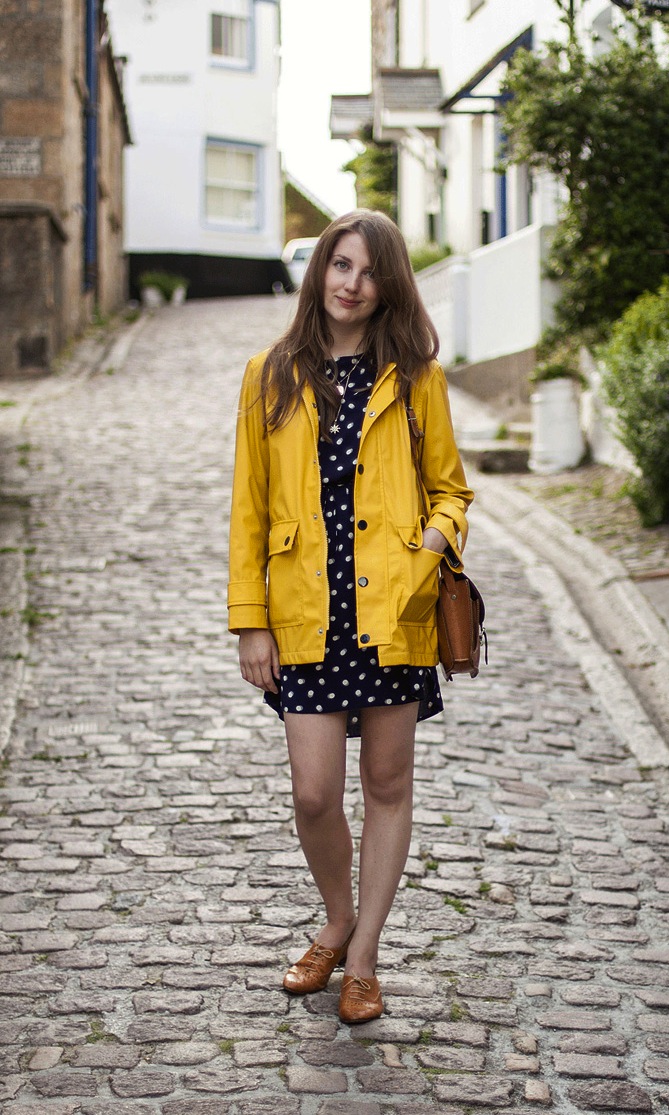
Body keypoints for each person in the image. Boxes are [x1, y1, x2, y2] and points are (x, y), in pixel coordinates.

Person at [227, 209, 473, 1024]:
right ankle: (335, 916)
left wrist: (428, 546)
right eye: (339, 265)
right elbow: (249, 514)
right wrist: (250, 620)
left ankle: (362, 955)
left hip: (392, 612)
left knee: (388, 784)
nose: (350, 283)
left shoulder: (415, 376)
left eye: (367, 271)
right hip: (305, 614)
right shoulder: (269, 374)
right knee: (312, 792)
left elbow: (450, 489)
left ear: (387, 283)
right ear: (318, 272)